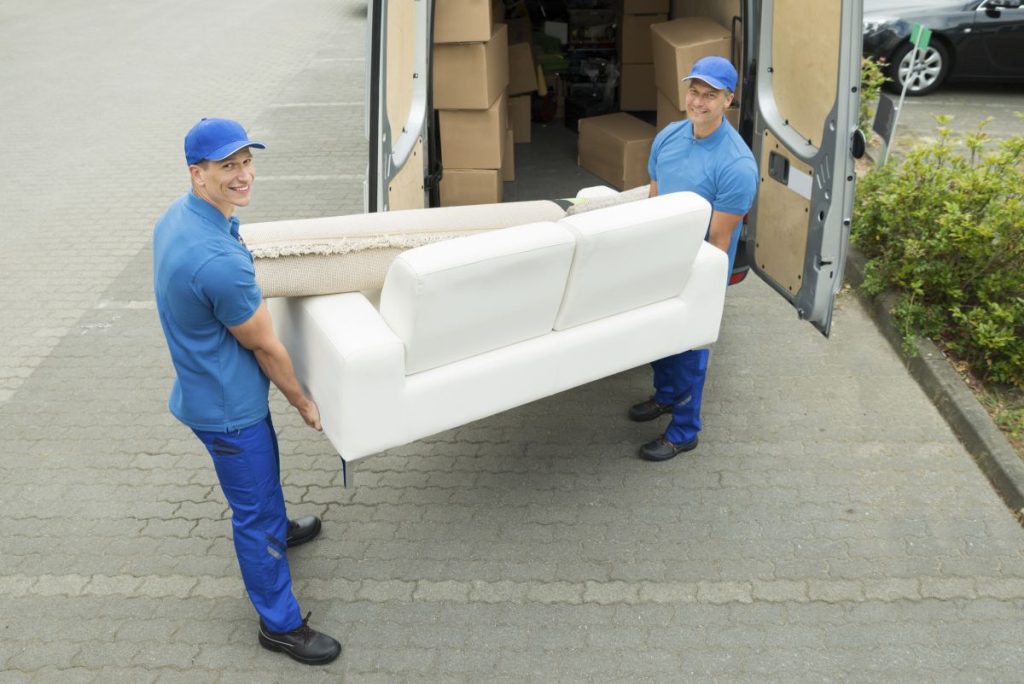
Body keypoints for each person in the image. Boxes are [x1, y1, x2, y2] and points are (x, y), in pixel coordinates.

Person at [152, 117, 342, 665]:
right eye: (227, 167)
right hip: (228, 410)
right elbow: (266, 348)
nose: (243, 176)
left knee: (263, 484)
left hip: (204, 385)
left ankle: (279, 527)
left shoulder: (179, 218)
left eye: (245, 162)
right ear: (198, 174)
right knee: (252, 514)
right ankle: (278, 625)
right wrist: (304, 401)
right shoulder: (217, 263)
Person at [631, 56, 759, 462]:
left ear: (728, 100)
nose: (698, 102)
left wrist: (688, 287)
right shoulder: (668, 137)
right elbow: (654, 200)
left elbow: (719, 243)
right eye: (694, 91)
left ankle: (684, 431)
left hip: (698, 266)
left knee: (688, 349)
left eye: (710, 95)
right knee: (656, 337)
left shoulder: (737, 166)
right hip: (661, 257)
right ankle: (666, 397)